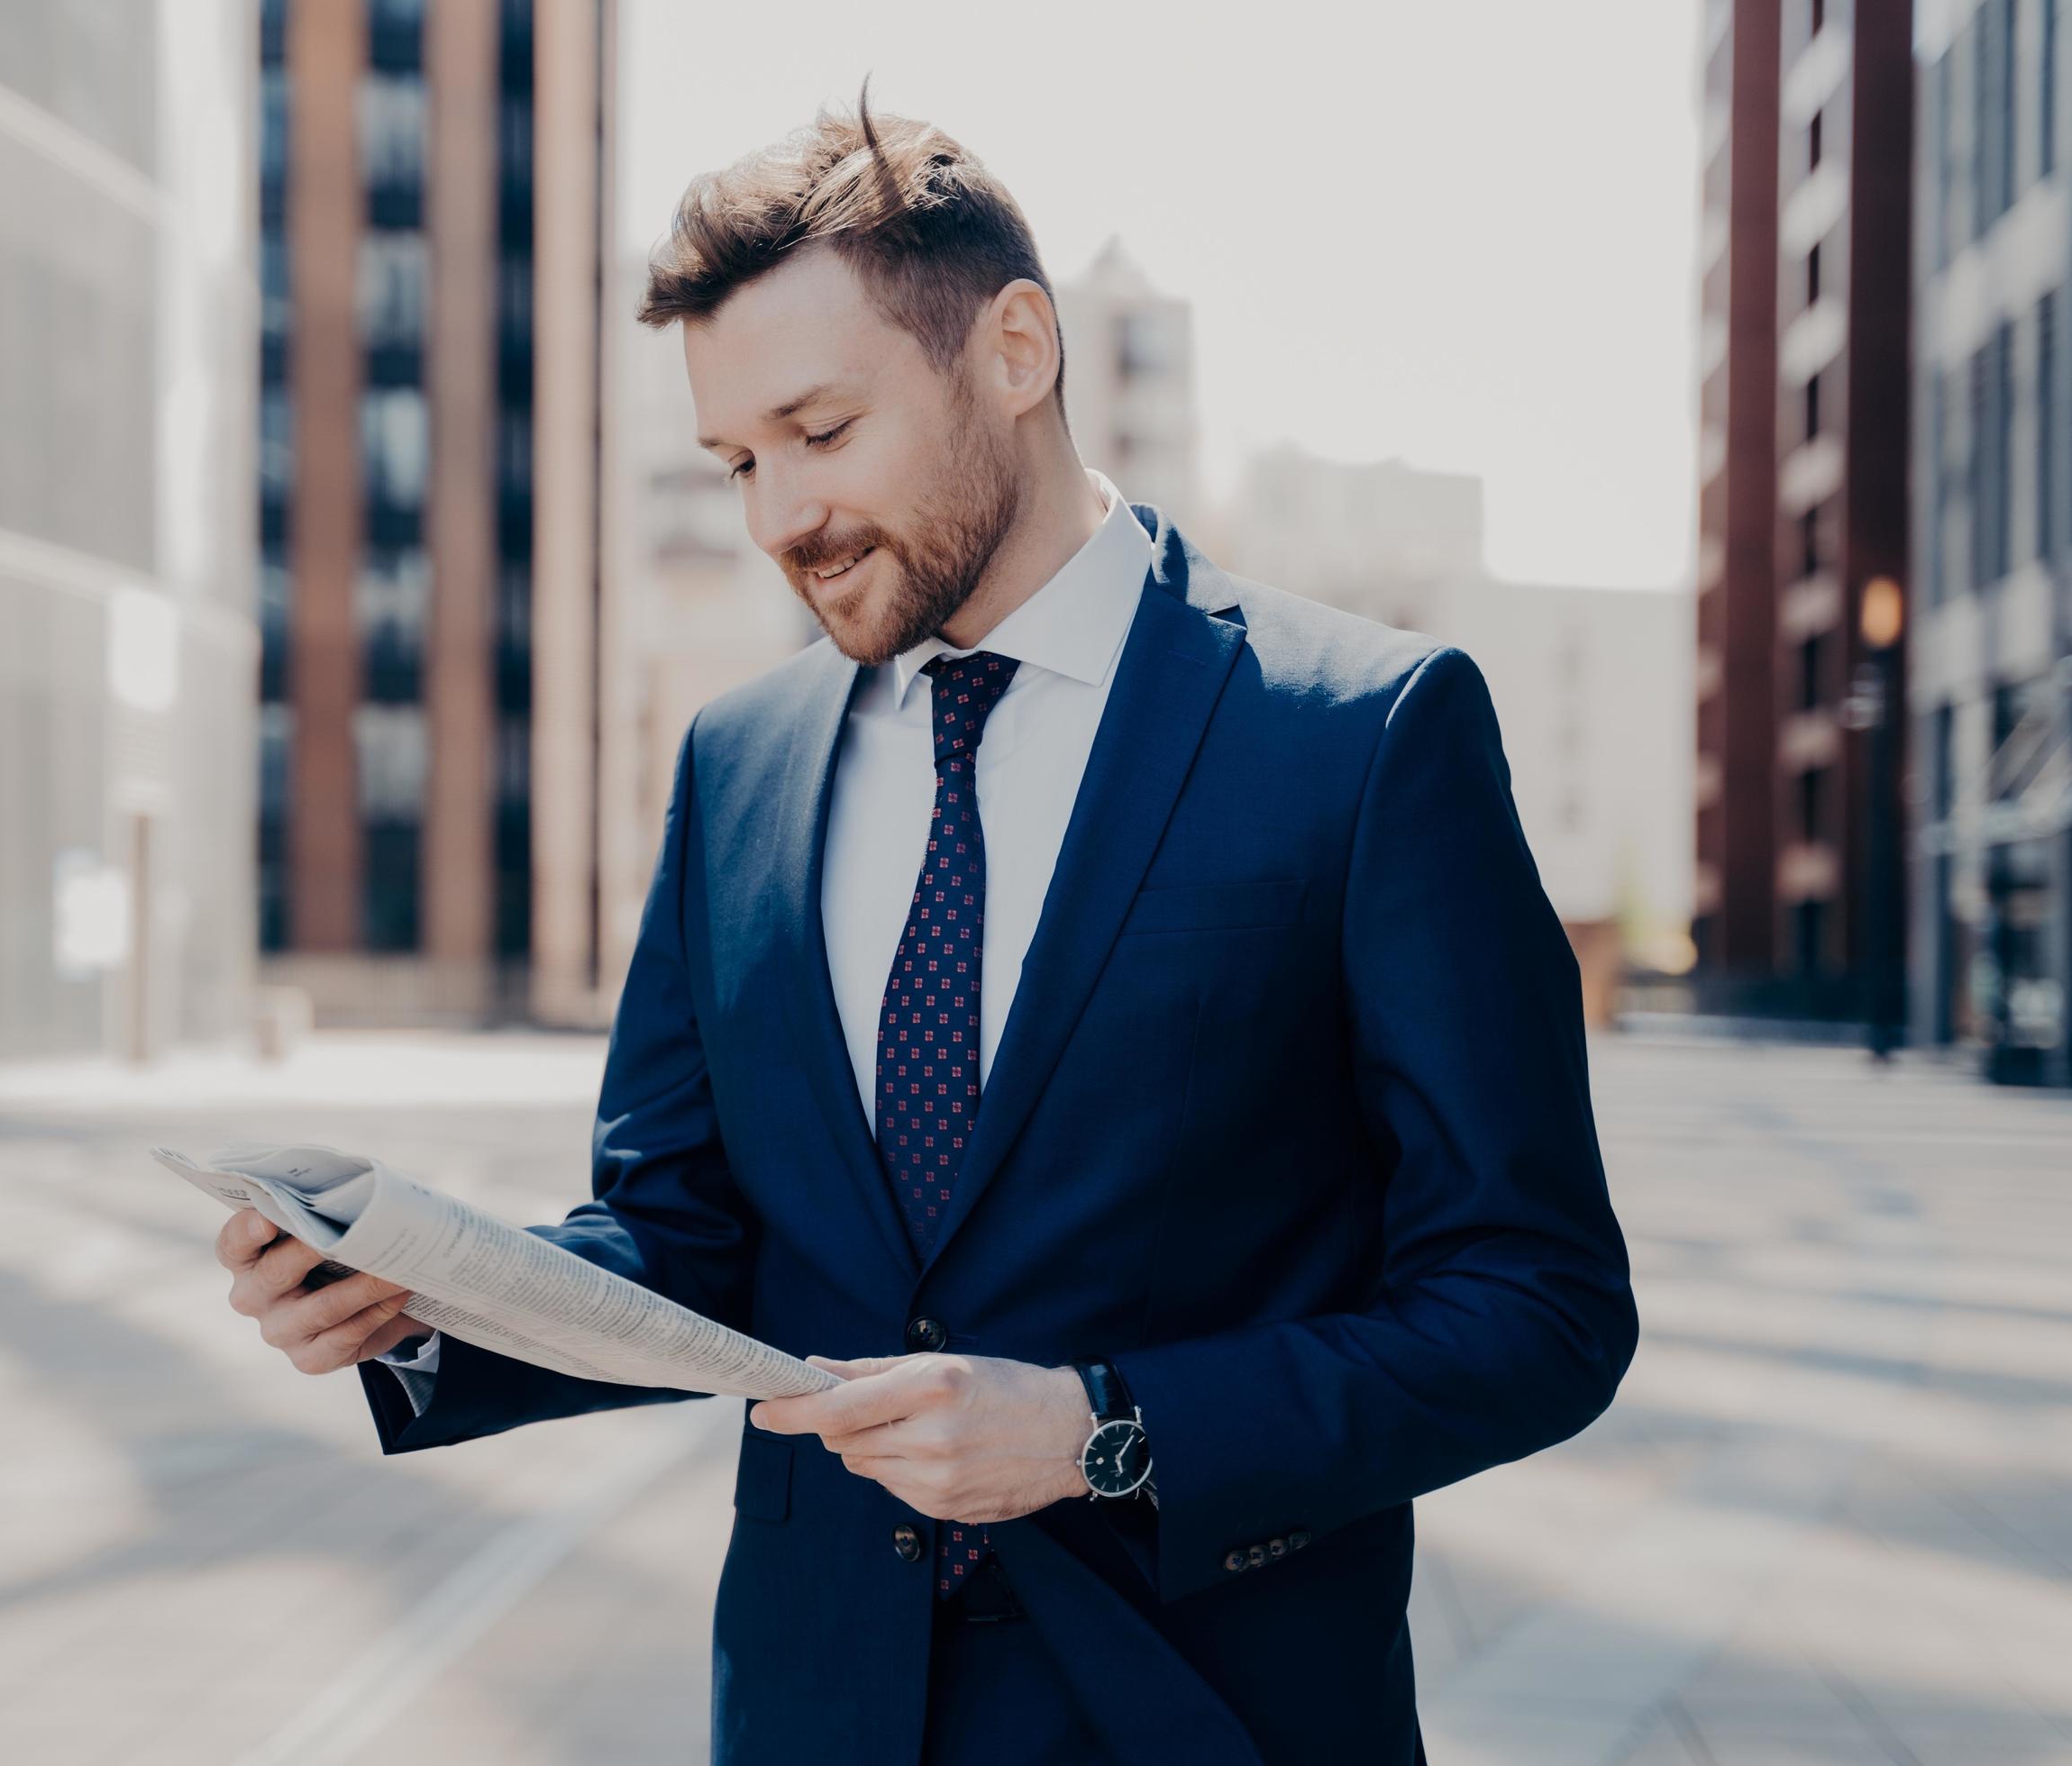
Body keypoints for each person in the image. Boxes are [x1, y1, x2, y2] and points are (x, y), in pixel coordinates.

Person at [216, 88, 1637, 1766]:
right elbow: (684, 1238)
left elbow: (1537, 1306)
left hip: (1213, 1714)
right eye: (738, 461)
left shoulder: (1363, 733)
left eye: (821, 433)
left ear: (1015, 349)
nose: (777, 519)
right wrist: (433, 1303)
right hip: (822, 1708)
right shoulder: (737, 764)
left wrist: (1106, 1431)